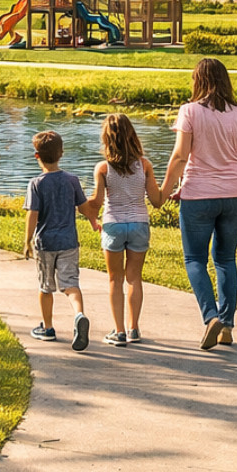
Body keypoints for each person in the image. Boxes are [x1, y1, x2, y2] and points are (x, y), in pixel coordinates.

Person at [160, 58, 237, 349]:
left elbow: (180, 157)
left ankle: (211, 316)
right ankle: (226, 327)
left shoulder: (190, 112)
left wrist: (164, 191)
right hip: (236, 195)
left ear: (197, 81)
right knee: (225, 259)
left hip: (199, 196)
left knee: (194, 259)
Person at [87, 114, 161, 346]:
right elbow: (157, 200)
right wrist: (171, 185)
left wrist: (81, 205)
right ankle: (134, 329)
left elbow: (97, 202)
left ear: (106, 138)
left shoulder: (103, 168)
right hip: (139, 223)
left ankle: (119, 331)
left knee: (114, 280)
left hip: (113, 225)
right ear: (132, 134)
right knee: (134, 278)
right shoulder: (144, 164)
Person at [23, 130, 99, 351]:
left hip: (45, 244)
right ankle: (79, 316)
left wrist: (27, 241)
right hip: (69, 242)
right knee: (71, 284)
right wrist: (95, 216)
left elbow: (32, 214)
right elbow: (84, 209)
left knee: (46, 287)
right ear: (62, 153)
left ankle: (47, 328)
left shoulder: (36, 183)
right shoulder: (72, 181)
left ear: (37, 156)